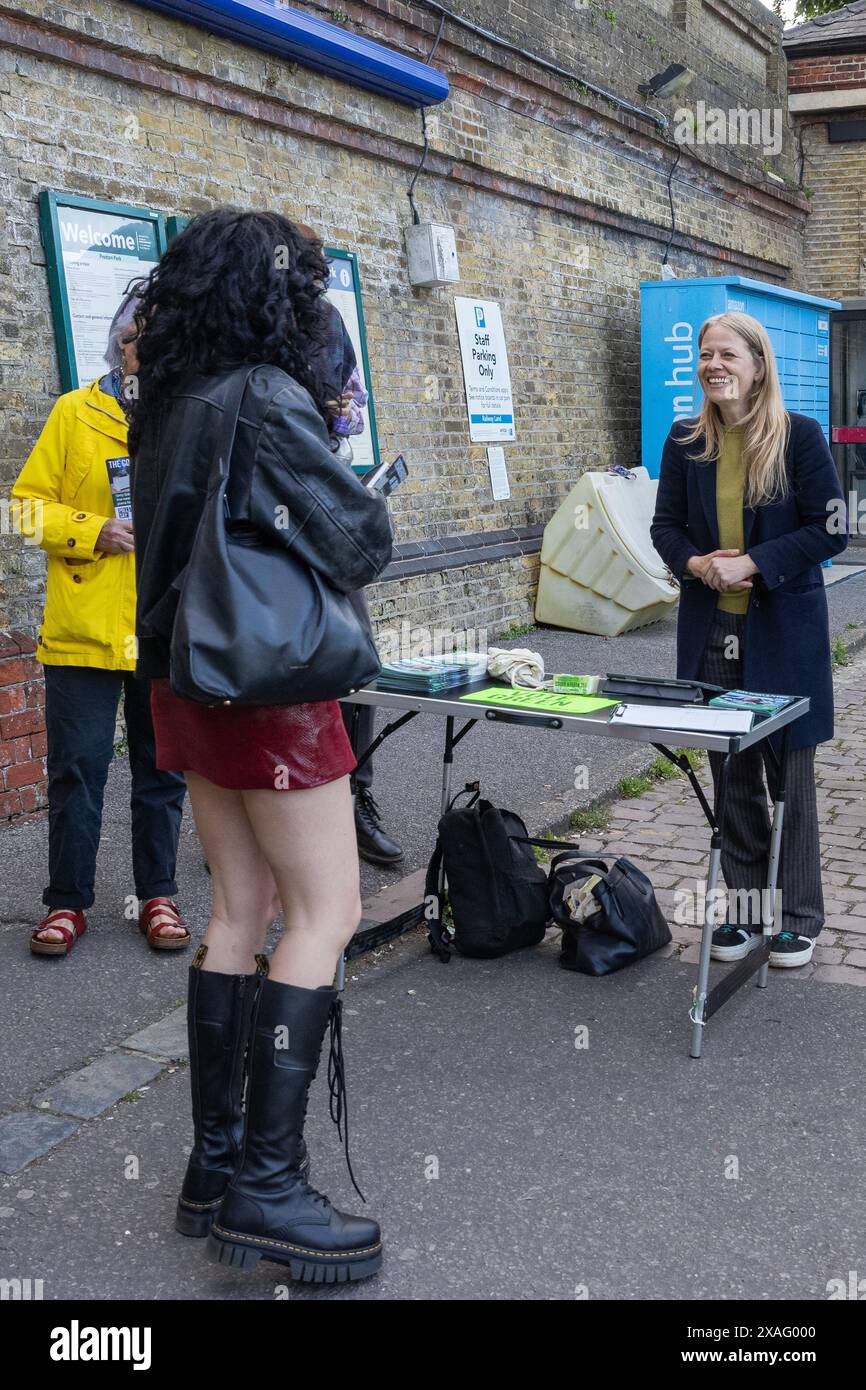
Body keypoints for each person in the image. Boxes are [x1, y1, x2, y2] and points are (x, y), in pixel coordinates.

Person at [129, 208, 392, 1283]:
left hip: (188, 684)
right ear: (273, 295)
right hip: (273, 686)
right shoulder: (270, 397)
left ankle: (216, 1164)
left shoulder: (167, 399)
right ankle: (269, 1190)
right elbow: (358, 540)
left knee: (237, 910)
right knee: (327, 912)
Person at [651, 311, 848, 970]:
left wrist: (755, 562)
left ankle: (796, 916)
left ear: (757, 364)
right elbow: (666, 527)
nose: (713, 365)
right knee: (731, 776)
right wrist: (700, 565)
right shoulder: (684, 440)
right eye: (705, 354)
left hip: (783, 632)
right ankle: (744, 910)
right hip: (712, 630)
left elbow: (831, 528)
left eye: (727, 354)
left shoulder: (800, 437)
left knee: (787, 774)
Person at [10, 290, 188, 957]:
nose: (152, 351)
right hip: (83, 627)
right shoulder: (73, 412)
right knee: (78, 770)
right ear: (123, 343)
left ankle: (159, 895)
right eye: (143, 338)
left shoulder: (182, 418)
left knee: (160, 770)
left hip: (161, 627)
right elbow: (26, 509)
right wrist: (90, 529)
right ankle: (66, 904)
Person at [308, 298, 404, 866]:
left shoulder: (325, 321)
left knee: (357, 657)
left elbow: (348, 413)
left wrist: (340, 414)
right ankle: (259, 811)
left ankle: (354, 795)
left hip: (327, 512)